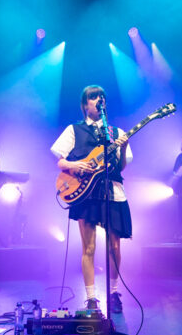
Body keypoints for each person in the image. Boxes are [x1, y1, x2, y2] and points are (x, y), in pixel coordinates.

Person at [51, 85, 131, 313]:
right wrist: (74, 164)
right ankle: (91, 298)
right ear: (85, 104)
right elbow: (60, 161)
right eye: (93, 97)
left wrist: (124, 147)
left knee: (114, 246)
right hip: (85, 193)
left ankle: (113, 293)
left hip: (112, 191)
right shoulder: (74, 130)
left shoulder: (115, 132)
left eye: (101, 96)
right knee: (89, 247)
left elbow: (121, 167)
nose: (98, 100)